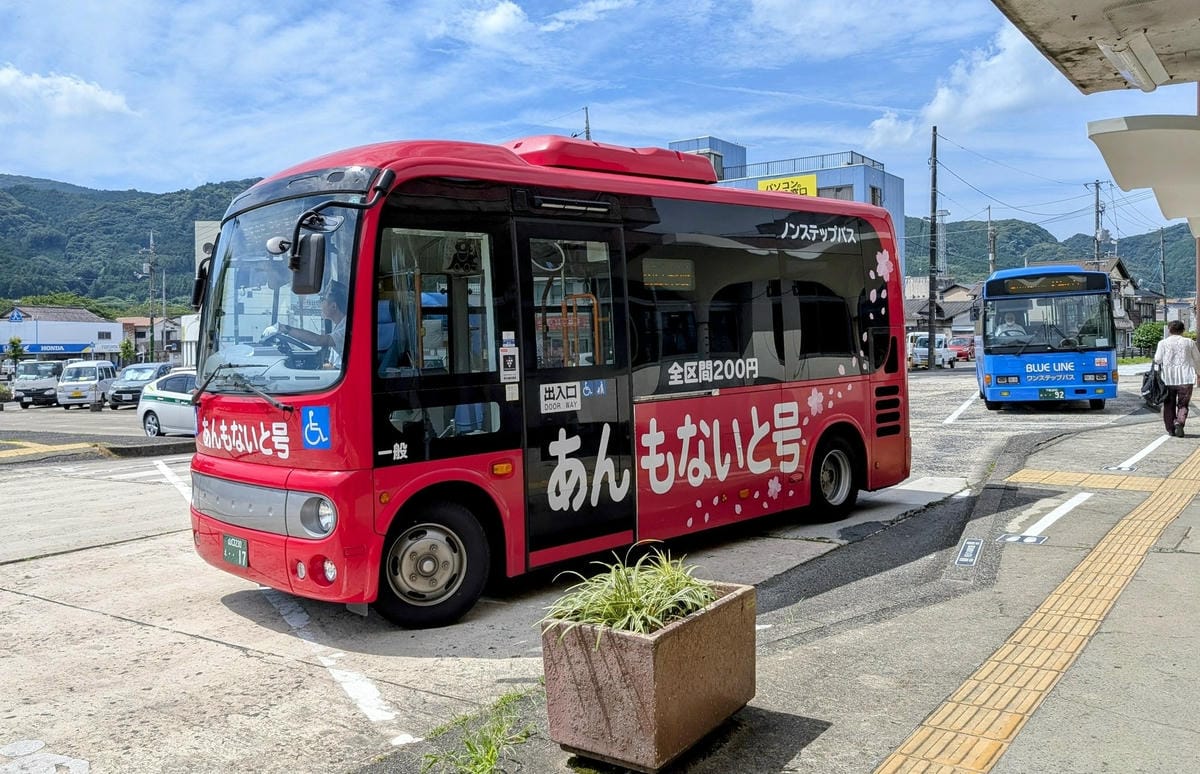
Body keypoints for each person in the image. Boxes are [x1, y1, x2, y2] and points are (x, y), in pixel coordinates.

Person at [270, 281, 348, 367]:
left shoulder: (345, 329)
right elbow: (334, 364)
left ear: (333, 306)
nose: (320, 304)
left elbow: (318, 340)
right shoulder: (339, 325)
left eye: (323, 300)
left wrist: (285, 329)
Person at [1152, 320, 1200, 437]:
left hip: (1168, 379)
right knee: (1183, 405)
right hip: (1186, 378)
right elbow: (1197, 359)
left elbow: (1157, 359)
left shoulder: (1162, 343)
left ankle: (1170, 429)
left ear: (1169, 330)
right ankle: (1179, 422)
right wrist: (1198, 373)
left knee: (1168, 404)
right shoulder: (1189, 342)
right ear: (1183, 330)